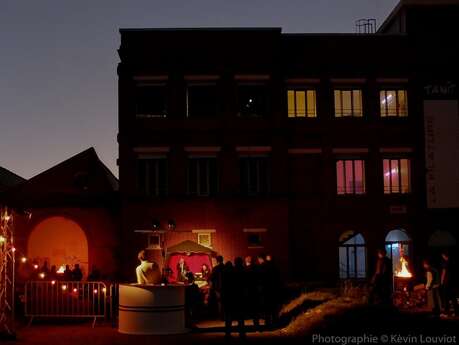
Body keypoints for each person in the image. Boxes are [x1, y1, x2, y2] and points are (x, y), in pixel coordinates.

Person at [439, 251, 458, 317]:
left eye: (442, 256)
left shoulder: (445, 263)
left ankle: (446, 313)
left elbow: (444, 272)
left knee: (446, 297)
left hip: (447, 282)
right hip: (453, 282)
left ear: (444, 255)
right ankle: (456, 312)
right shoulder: (453, 262)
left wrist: (441, 281)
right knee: (453, 297)